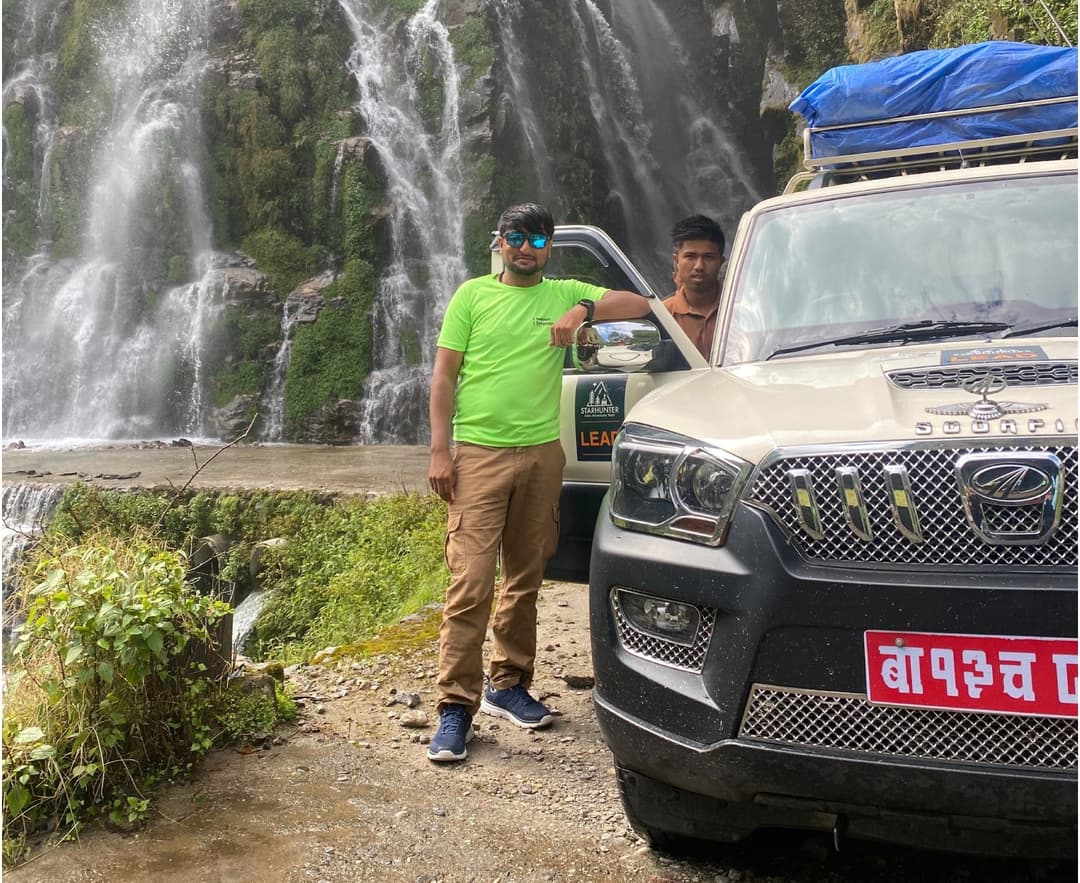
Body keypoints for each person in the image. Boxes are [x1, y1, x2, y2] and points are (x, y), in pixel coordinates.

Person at [426, 202, 650, 763]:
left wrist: (581, 310)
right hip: (478, 455)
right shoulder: (471, 296)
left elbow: (641, 304)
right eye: (517, 237)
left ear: (549, 246)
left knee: (525, 578)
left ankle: (509, 684)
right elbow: (444, 375)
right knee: (472, 581)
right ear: (501, 242)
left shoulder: (562, 291)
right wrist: (439, 451)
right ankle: (456, 706)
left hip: (543, 455)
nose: (526, 247)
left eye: (538, 238)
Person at [662, 214, 725, 359]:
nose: (699, 266)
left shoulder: (741, 307)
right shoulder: (664, 316)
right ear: (676, 260)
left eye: (708, 257)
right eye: (690, 256)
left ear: (721, 261)